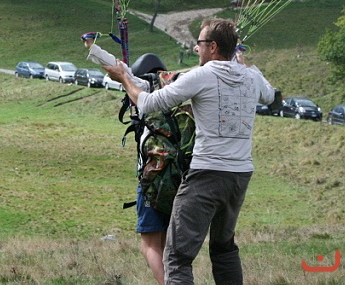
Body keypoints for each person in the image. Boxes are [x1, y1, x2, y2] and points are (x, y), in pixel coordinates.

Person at [103, 18, 275, 285]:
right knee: (224, 248)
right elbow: (270, 95)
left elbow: (148, 103)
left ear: (213, 47)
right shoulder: (250, 76)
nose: (196, 48)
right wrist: (242, 63)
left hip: (207, 175)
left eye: (200, 43)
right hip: (240, 176)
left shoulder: (202, 75)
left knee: (177, 257)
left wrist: (124, 77)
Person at [82, 34, 167, 285]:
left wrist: (92, 47)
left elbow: (118, 68)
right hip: (179, 178)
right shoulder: (177, 89)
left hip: (151, 178)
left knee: (149, 246)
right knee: (167, 246)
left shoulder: (143, 88)